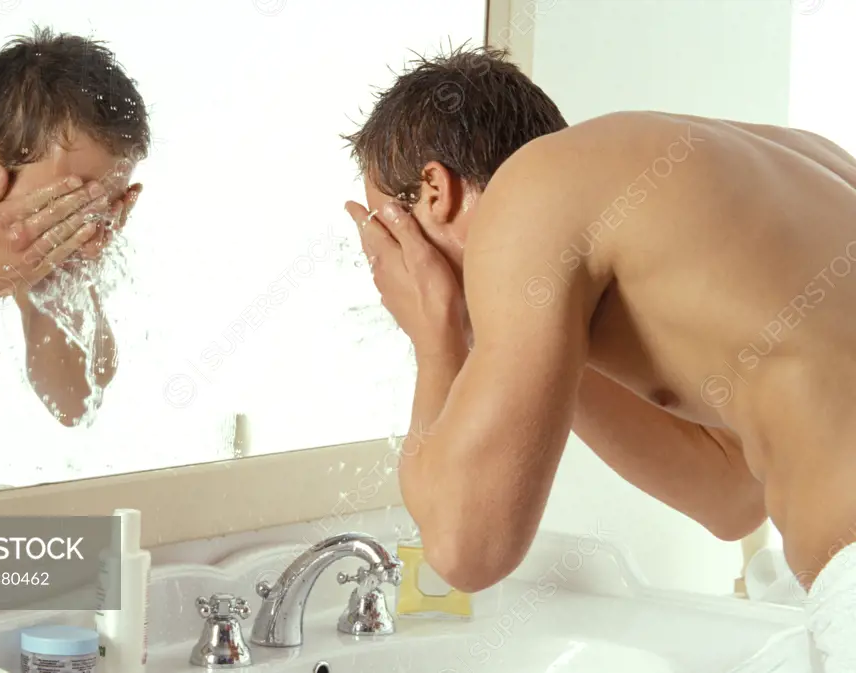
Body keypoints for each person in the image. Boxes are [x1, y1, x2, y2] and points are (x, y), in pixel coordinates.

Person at [343, 46, 856, 670]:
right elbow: (730, 496)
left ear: (433, 190)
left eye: (387, 234)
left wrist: (435, 328)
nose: (389, 264)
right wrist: (520, 334)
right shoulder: (769, 158)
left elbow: (464, 550)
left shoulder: (525, 195)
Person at [0, 27, 149, 426]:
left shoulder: (32, 137)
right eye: (67, 200)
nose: (77, 219)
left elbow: (75, 402)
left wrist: (66, 264)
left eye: (97, 207)